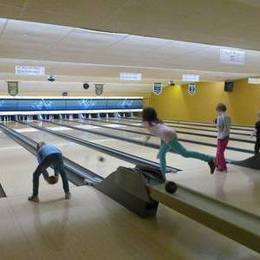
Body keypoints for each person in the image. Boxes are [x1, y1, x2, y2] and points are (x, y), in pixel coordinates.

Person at [142, 107, 215, 178]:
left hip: (169, 137)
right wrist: (161, 146)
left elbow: (150, 134)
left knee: (185, 153)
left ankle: (209, 159)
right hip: (170, 133)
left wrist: (145, 140)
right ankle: (163, 173)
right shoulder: (157, 120)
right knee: (161, 155)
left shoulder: (146, 123)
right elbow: (161, 133)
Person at [214, 103, 231, 172]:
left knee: (219, 153)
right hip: (226, 136)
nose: (217, 111)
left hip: (221, 137)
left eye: (217, 110)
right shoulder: (228, 116)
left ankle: (223, 167)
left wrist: (216, 123)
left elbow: (220, 127)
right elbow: (227, 127)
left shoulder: (220, 117)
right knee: (219, 152)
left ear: (219, 109)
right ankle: (219, 166)